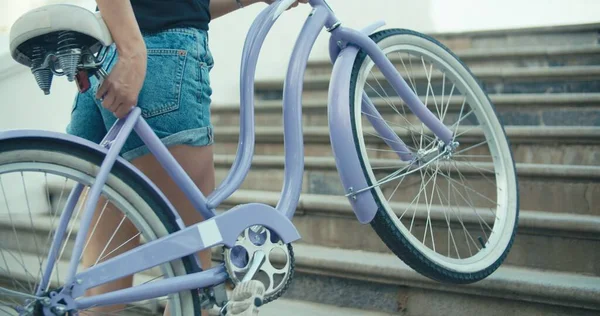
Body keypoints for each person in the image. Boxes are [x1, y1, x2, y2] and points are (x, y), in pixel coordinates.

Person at [66, 0, 307, 314]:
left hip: (104, 62)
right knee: (194, 284)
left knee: (101, 292)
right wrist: (133, 51)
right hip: (154, 61)